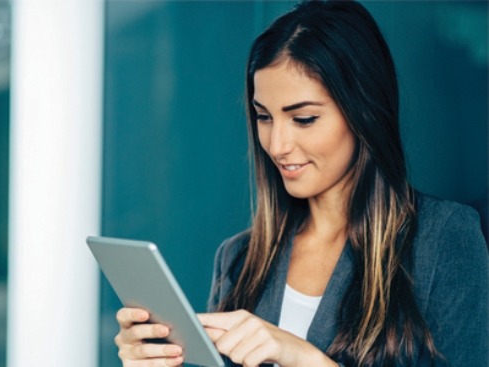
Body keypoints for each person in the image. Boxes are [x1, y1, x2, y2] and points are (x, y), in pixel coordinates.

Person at [114, 1, 489, 366]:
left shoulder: (443, 240)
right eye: (264, 117)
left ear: (364, 112)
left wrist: (303, 358)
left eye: (304, 118)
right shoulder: (240, 259)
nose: (277, 146)